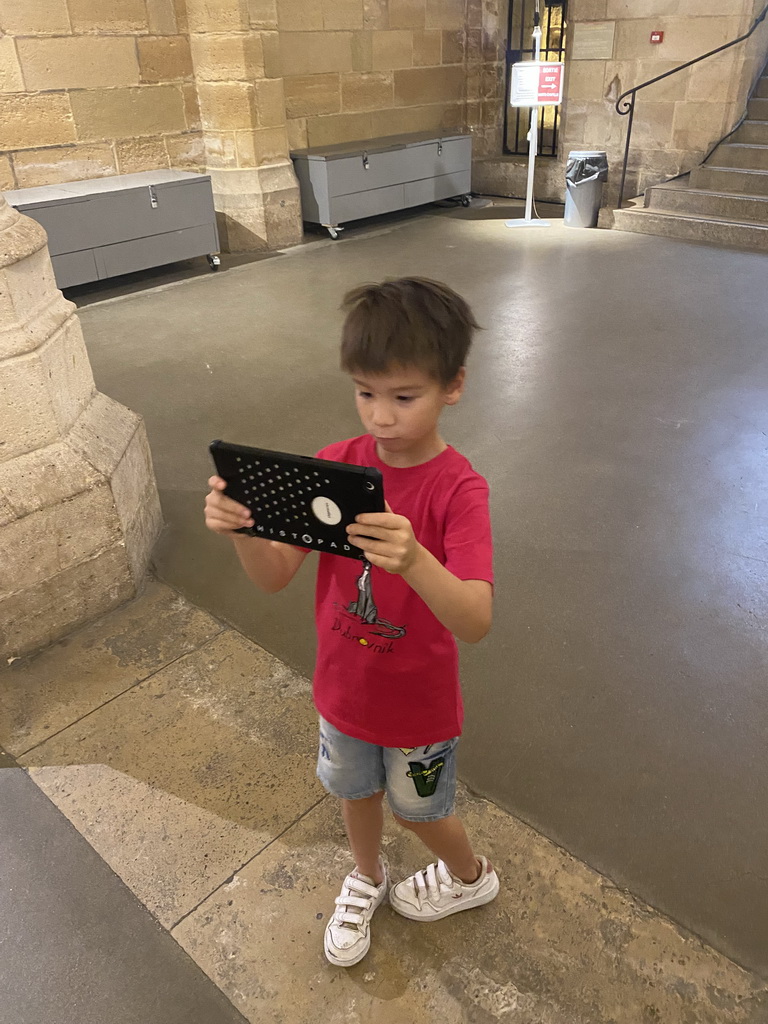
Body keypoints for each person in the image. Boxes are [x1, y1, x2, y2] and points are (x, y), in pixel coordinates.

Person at [204, 277, 498, 967]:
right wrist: (242, 530)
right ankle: (366, 875)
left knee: (419, 809)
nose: (381, 416)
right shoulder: (337, 466)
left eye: (404, 396)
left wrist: (416, 560)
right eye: (365, 392)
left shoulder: (459, 489)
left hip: (421, 707)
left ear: (452, 386)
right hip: (343, 692)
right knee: (354, 791)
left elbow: (477, 618)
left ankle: (471, 877)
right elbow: (276, 576)